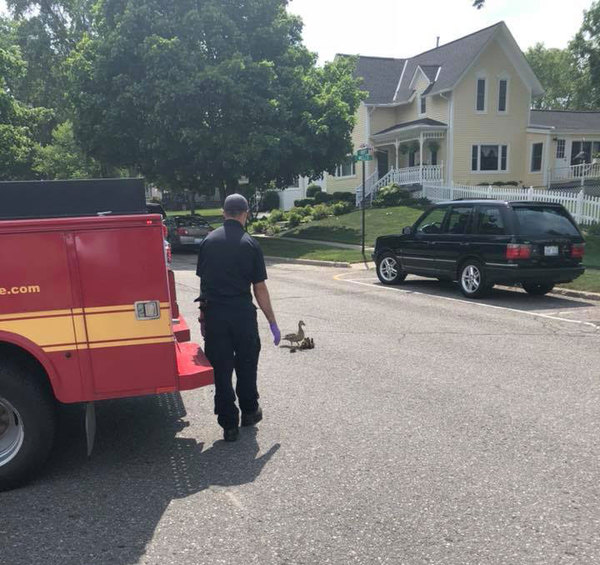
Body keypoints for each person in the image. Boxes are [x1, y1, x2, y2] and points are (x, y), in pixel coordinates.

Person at [196, 194, 280, 442]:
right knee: (246, 364)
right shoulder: (250, 244)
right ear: (245, 214)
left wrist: (203, 318)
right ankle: (250, 411)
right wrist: (272, 322)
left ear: (224, 213)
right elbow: (259, 288)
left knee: (221, 370)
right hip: (242, 315)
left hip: (215, 315)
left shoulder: (208, 242)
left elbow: (204, 285)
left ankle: (228, 423)